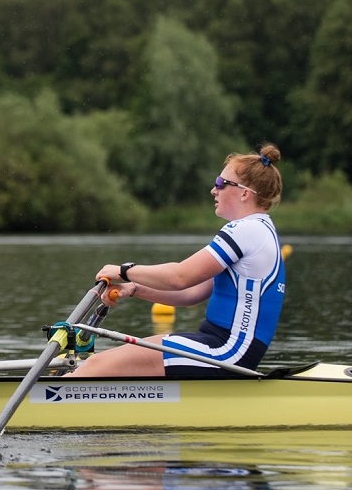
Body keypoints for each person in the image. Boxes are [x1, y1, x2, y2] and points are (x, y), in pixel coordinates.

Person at [70, 144, 285, 379]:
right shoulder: (259, 229)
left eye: (221, 183)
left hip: (228, 352)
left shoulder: (247, 230)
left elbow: (179, 277)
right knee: (98, 363)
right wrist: (133, 289)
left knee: (94, 367)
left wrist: (124, 271)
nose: (214, 190)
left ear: (245, 193)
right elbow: (189, 294)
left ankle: (47, 405)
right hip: (216, 344)